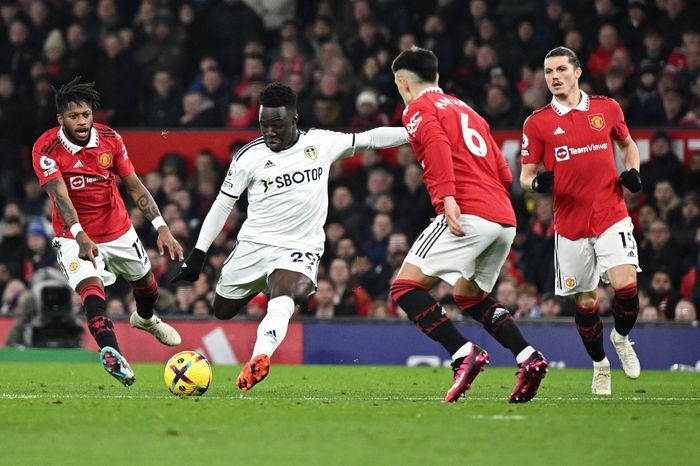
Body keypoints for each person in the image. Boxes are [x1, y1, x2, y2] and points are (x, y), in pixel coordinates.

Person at [172, 82, 408, 392]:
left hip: (299, 247)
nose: (269, 132)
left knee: (283, 294)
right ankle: (259, 290)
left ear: (294, 120)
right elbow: (222, 205)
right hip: (254, 246)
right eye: (264, 125)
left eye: (277, 125)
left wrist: (413, 132)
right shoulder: (247, 157)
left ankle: (260, 357)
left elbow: (370, 138)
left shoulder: (320, 143)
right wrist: (199, 253)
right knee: (222, 310)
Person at [389, 46, 548, 404]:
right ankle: (528, 357)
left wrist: (447, 199)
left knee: (404, 288)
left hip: (467, 211)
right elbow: (503, 168)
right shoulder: (467, 110)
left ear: (402, 82)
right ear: (438, 78)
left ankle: (463, 353)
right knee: (469, 297)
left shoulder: (417, 108)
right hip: (503, 217)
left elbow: (436, 147)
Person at [31, 77, 184, 387]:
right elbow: (60, 198)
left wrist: (162, 227)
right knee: (91, 291)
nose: (82, 121)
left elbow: (135, 186)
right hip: (72, 236)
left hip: (118, 229)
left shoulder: (110, 139)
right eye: (74, 116)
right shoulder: (45, 149)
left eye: (86, 114)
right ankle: (112, 353)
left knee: (147, 286)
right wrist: (79, 234)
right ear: (61, 119)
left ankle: (145, 319)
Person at [519, 47, 642, 396]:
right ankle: (600, 364)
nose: (553, 76)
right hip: (570, 225)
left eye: (560, 69)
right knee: (586, 302)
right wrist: (537, 184)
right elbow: (526, 176)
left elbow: (628, 145)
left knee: (626, 288)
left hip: (610, 213)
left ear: (577, 72)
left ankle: (621, 338)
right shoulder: (537, 122)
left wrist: (632, 171)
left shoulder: (607, 108)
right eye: (547, 71)